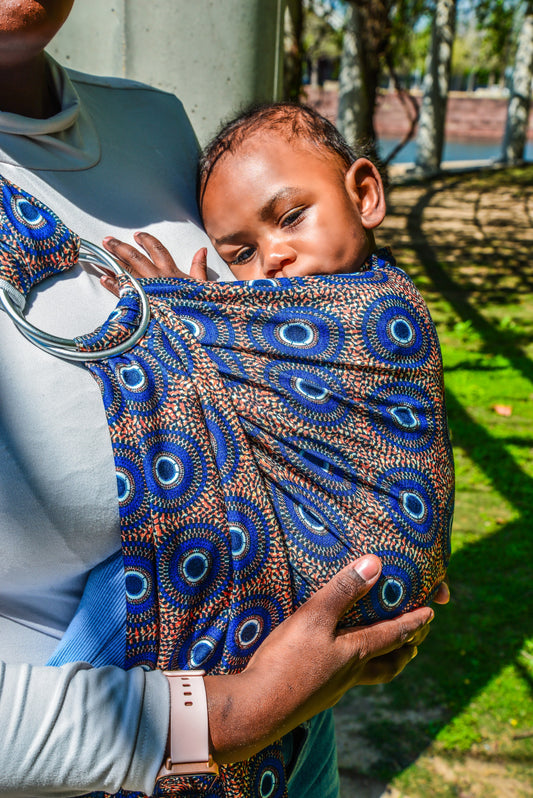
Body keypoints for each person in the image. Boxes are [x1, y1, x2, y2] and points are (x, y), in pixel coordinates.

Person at [0, 3, 447, 796]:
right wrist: (228, 716)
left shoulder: (152, 121)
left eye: (290, 221)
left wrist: (346, 627)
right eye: (244, 249)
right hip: (94, 758)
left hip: (296, 737)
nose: (268, 259)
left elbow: (275, 356)